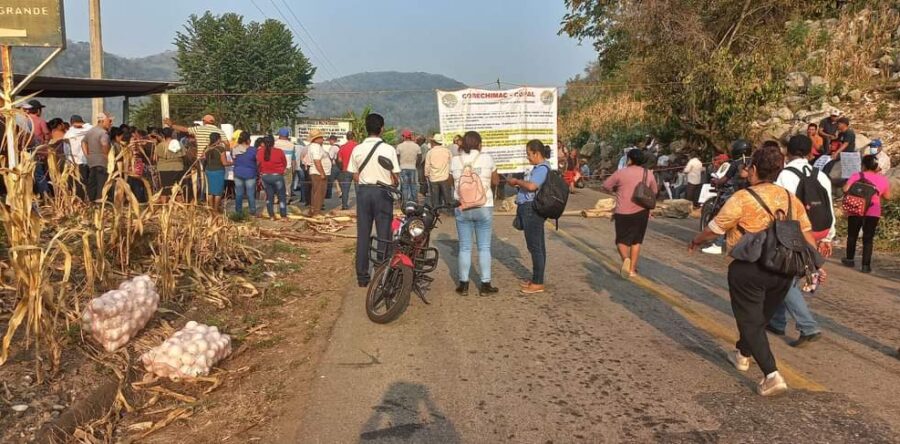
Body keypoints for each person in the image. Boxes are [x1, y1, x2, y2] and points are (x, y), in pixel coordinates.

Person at [690, 144, 826, 397]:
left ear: (752, 169)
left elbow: (716, 229)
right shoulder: (789, 197)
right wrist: (813, 264)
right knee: (759, 318)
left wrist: (697, 240)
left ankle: (771, 375)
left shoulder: (742, 198)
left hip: (749, 268)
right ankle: (742, 354)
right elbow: (805, 232)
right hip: (784, 269)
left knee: (750, 320)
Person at [769, 135, 834, 347]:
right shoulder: (821, 175)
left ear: (787, 152)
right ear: (809, 153)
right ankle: (777, 321)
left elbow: (778, 208)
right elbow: (830, 207)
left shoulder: (784, 175)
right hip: (818, 230)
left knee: (784, 276)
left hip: (795, 231)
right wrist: (828, 237)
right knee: (786, 274)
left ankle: (808, 326)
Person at [349, 113, 400, 287]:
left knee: (363, 235)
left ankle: (362, 277)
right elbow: (395, 176)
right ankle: (381, 273)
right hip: (383, 193)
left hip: (363, 193)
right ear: (382, 128)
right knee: (384, 234)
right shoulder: (389, 149)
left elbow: (355, 175)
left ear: (365, 128)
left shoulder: (357, 149)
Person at [450, 131, 500, 296]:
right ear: (479, 144)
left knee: (464, 247)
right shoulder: (487, 159)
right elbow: (495, 181)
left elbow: (450, 181)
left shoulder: (455, 160)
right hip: (484, 206)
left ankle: (463, 285)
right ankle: (485, 285)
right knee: (484, 247)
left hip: (462, 207)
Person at [603, 149, 658, 278]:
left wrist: (617, 189)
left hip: (623, 212)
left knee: (621, 240)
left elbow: (606, 185)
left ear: (630, 159)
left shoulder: (621, 173)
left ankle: (625, 259)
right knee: (636, 241)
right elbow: (654, 191)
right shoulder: (648, 173)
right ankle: (632, 270)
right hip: (642, 212)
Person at [507, 140, 552, 295]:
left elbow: (532, 186)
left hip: (532, 209)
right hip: (530, 208)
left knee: (535, 247)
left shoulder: (542, 169)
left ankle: (538, 282)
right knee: (537, 245)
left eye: (529, 154)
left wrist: (517, 181)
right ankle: (536, 278)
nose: (528, 157)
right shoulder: (540, 168)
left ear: (536, 153)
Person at [842, 155, 892, 273]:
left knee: (852, 235)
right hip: (873, 211)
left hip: (856, 208)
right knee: (868, 238)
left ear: (863, 165)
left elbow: (845, 189)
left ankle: (849, 259)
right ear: (876, 166)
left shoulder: (857, 175)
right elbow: (888, 197)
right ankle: (866, 265)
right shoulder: (882, 179)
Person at [83, 112, 114, 203]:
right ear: (102, 121)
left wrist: (87, 155)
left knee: (92, 181)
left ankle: (91, 199)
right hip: (102, 161)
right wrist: (106, 155)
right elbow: (104, 144)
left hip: (92, 161)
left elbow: (83, 142)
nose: (110, 123)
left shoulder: (91, 131)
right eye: (109, 121)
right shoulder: (103, 133)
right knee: (102, 181)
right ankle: (100, 200)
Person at [257, 135, 288, 220]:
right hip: (277, 176)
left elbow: (258, 164)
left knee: (269, 196)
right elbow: (284, 163)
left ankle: (271, 216)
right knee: (281, 197)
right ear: (273, 142)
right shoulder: (279, 151)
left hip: (265, 177)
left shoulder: (260, 151)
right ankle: (283, 216)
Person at [153, 127, 185, 204]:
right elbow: (184, 155)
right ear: (172, 134)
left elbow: (154, 158)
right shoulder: (178, 144)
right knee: (177, 188)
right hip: (178, 167)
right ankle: (179, 207)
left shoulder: (160, 145)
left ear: (162, 135)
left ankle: (164, 207)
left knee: (165, 188)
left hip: (164, 168)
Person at [64, 114, 92, 199]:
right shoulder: (88, 131)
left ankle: (77, 201)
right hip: (85, 161)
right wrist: (82, 124)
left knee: (75, 184)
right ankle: (86, 200)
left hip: (73, 163)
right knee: (85, 183)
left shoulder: (68, 134)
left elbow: (66, 151)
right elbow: (91, 126)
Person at [232, 131, 258, 217]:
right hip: (250, 173)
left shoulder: (235, 149)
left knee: (239, 193)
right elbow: (257, 161)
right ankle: (252, 210)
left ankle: (238, 211)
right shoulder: (253, 150)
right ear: (248, 140)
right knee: (250, 193)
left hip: (238, 173)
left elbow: (234, 159)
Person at [306, 129, 331, 216]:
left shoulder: (314, 146)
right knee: (319, 193)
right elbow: (317, 161)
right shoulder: (316, 147)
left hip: (316, 172)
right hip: (318, 173)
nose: (323, 139)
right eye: (321, 137)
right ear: (316, 139)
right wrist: (322, 173)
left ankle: (313, 209)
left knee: (316, 192)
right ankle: (316, 211)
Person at [205, 132, 231, 213]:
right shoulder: (220, 149)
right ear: (219, 139)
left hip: (208, 170)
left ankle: (210, 208)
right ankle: (216, 209)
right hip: (218, 171)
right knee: (218, 192)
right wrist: (233, 162)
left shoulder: (207, 148)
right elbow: (225, 163)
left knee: (210, 191)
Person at [424, 134, 452, 209]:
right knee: (447, 196)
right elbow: (451, 163)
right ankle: (449, 211)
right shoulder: (447, 151)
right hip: (445, 177)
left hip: (433, 177)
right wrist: (450, 173)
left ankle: (437, 212)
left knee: (435, 198)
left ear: (433, 142)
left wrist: (426, 174)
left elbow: (427, 165)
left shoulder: (430, 152)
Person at [396, 129, 421, 203]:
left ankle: (405, 202)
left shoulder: (399, 146)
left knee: (405, 186)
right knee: (413, 186)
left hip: (403, 168)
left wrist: (399, 166)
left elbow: (397, 157)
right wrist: (416, 165)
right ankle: (415, 202)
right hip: (413, 168)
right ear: (410, 137)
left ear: (404, 137)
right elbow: (420, 157)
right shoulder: (416, 146)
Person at [337, 131, 358, 210]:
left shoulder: (342, 147)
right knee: (358, 189)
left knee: (345, 189)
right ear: (353, 137)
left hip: (346, 170)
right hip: (356, 170)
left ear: (346, 137)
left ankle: (344, 205)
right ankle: (360, 206)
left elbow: (339, 160)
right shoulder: (357, 146)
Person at [274, 128, 296, 203]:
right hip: (288, 167)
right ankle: (286, 199)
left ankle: (276, 198)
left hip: (276, 167)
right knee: (287, 184)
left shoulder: (275, 144)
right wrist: (293, 169)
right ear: (288, 135)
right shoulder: (291, 145)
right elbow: (293, 158)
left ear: (279, 135)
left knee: (276, 183)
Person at [325, 134, 341, 200]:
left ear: (332, 140)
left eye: (330, 140)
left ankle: (328, 194)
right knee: (336, 180)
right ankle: (339, 192)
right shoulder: (339, 146)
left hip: (334, 166)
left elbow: (330, 157)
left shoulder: (333, 147)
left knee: (330, 180)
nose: (329, 142)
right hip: (339, 166)